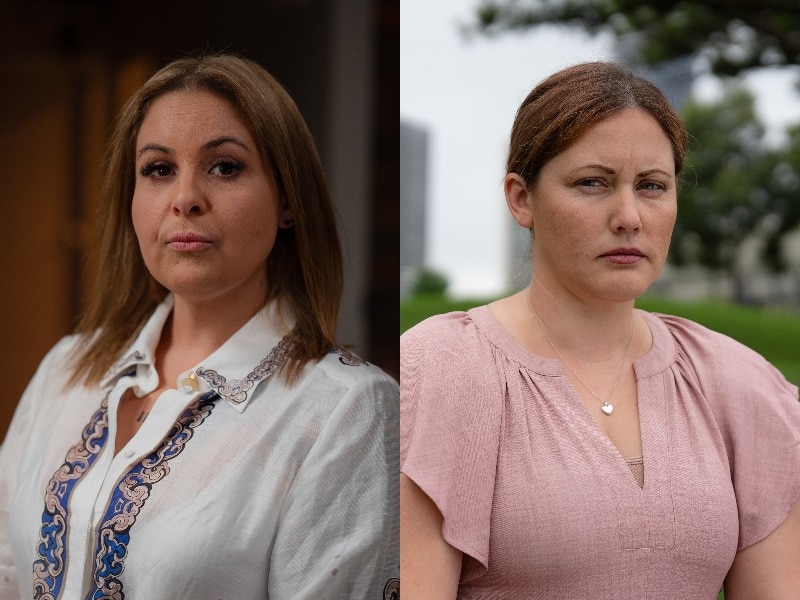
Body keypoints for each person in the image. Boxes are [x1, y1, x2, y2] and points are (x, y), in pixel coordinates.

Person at [0, 54, 399, 600]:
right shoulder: (66, 369)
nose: (184, 199)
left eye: (225, 167)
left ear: (287, 199)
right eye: (159, 170)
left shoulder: (344, 411)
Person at [400, 61, 800, 599]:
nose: (629, 216)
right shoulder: (442, 369)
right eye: (593, 182)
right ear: (521, 198)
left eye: (653, 186)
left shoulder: (739, 383)